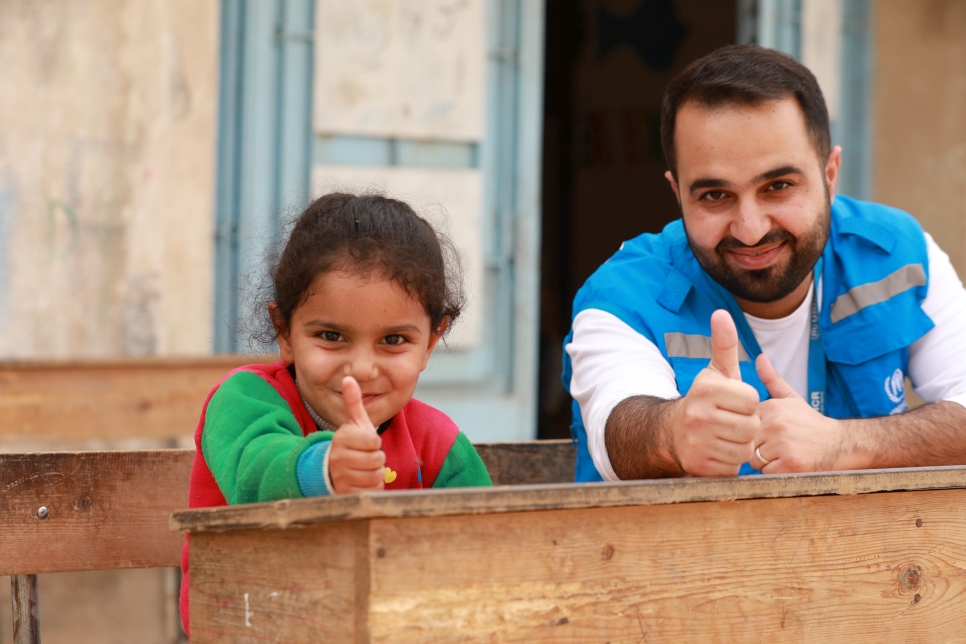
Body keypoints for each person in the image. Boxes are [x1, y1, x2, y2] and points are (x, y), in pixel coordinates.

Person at [564, 44, 966, 483]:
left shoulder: (897, 252)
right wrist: (674, 432)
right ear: (677, 194)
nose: (751, 230)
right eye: (715, 196)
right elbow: (616, 432)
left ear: (830, 175)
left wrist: (842, 444)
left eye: (778, 186)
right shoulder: (620, 295)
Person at [179, 192, 492, 634]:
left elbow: (484, 547)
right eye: (331, 335)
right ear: (283, 331)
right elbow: (254, 468)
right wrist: (324, 469)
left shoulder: (436, 442)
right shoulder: (244, 399)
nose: (362, 369)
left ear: (431, 343)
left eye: (395, 340)